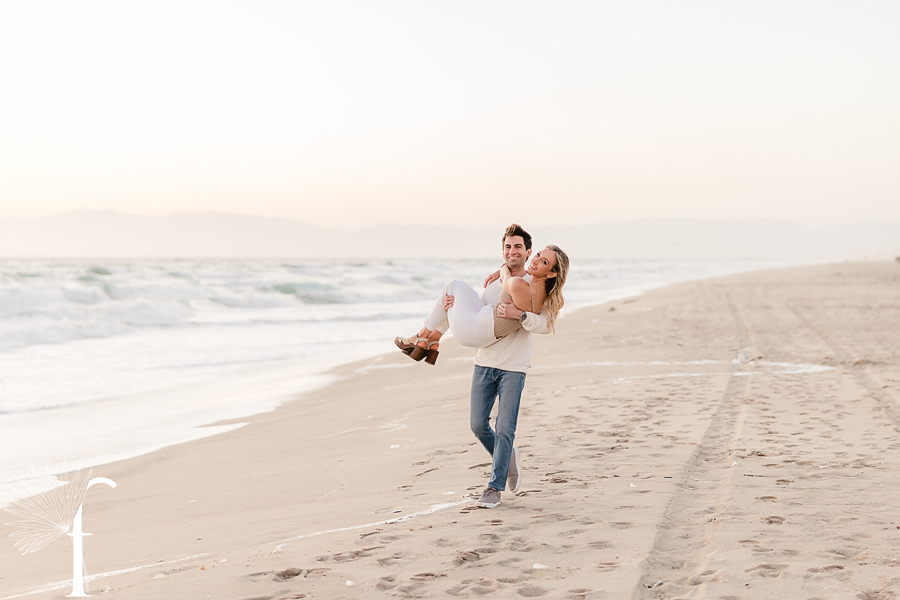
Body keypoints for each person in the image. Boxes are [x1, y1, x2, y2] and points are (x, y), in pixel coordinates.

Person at [394, 224, 569, 508]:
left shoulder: (536, 287)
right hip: (485, 361)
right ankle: (508, 456)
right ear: (505, 251)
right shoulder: (493, 282)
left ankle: (494, 487)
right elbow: (475, 316)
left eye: (520, 248)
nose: (515, 252)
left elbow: (545, 323)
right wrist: (450, 309)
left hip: (513, 367)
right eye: (508, 247)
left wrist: (521, 315)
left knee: (504, 428)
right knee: (478, 426)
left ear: (526, 252)